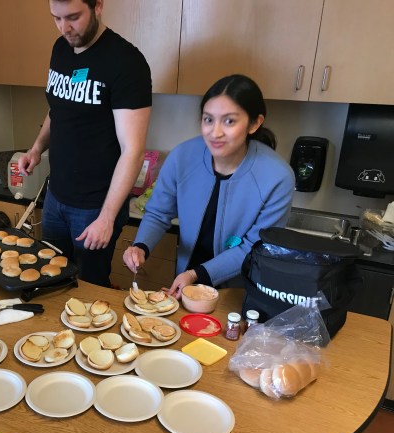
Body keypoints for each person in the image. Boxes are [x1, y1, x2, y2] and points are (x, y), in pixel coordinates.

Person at [17, 0, 152, 287]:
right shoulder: (60, 49)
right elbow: (58, 108)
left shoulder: (126, 62)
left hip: (95, 206)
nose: (64, 28)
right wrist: (37, 148)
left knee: (90, 287)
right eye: (56, 18)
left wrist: (107, 217)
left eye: (73, 17)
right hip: (55, 197)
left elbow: (133, 150)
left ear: (98, 5)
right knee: (51, 280)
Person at [123, 74, 295, 298]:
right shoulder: (182, 157)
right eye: (208, 119)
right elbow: (158, 213)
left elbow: (254, 247)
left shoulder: (277, 177)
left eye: (229, 121)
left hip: (238, 292)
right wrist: (141, 246)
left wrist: (196, 274)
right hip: (185, 283)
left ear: (254, 123)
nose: (215, 132)